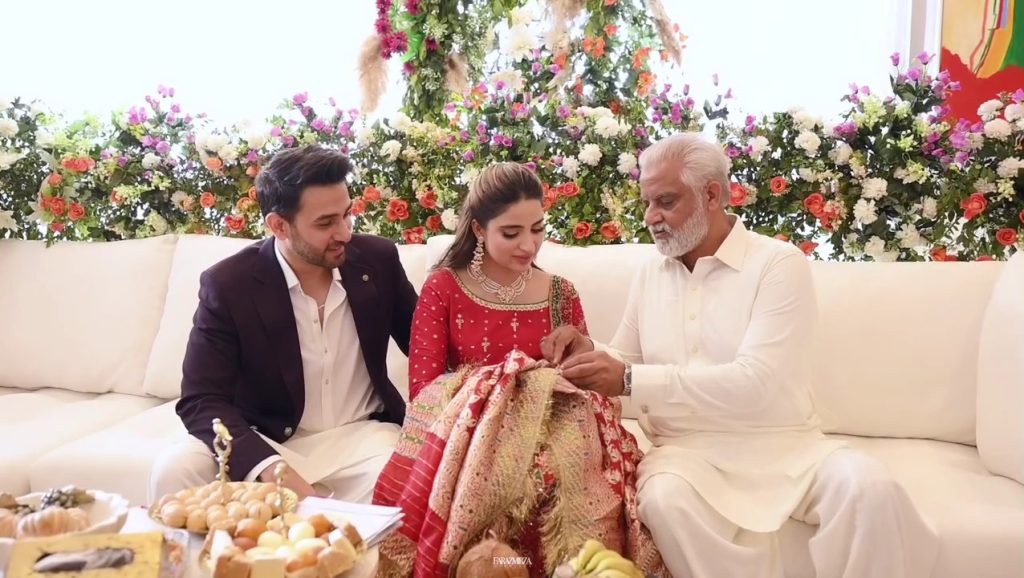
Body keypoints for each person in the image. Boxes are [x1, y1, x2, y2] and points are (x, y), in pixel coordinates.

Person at [543, 133, 940, 578]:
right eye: (647, 203)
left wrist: (629, 378)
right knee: (663, 500)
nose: (651, 217)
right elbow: (626, 355)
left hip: (788, 446)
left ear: (711, 195)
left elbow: (756, 383)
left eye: (666, 202)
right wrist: (589, 350)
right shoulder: (652, 271)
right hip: (686, 453)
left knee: (871, 488)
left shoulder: (777, 263)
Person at [372, 163, 665, 578]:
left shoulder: (561, 293)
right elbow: (425, 392)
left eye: (538, 229)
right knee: (493, 483)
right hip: (470, 434)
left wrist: (578, 351)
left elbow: (588, 390)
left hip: (554, 430)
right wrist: (500, 387)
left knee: (565, 477)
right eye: (511, 233)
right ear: (479, 229)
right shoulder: (443, 289)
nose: (529, 245)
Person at [149, 145, 418, 505]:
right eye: (326, 223)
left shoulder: (378, 261)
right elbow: (201, 399)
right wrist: (269, 467)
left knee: (406, 486)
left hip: (363, 441)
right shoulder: (230, 284)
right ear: (278, 225)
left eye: (346, 215)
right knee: (175, 470)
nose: (344, 233)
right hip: (266, 438)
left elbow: (426, 344)